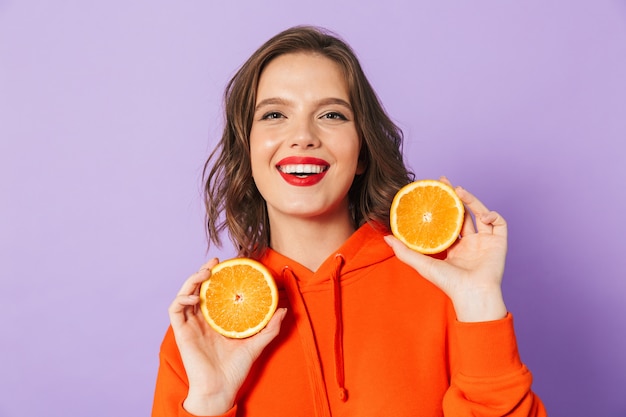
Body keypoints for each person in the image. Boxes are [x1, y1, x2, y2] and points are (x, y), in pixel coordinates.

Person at [152, 25, 547, 417]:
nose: (303, 136)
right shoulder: (207, 326)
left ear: (361, 153)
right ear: (248, 148)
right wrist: (208, 402)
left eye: (331, 114)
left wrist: (480, 305)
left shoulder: (444, 284)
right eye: (274, 114)